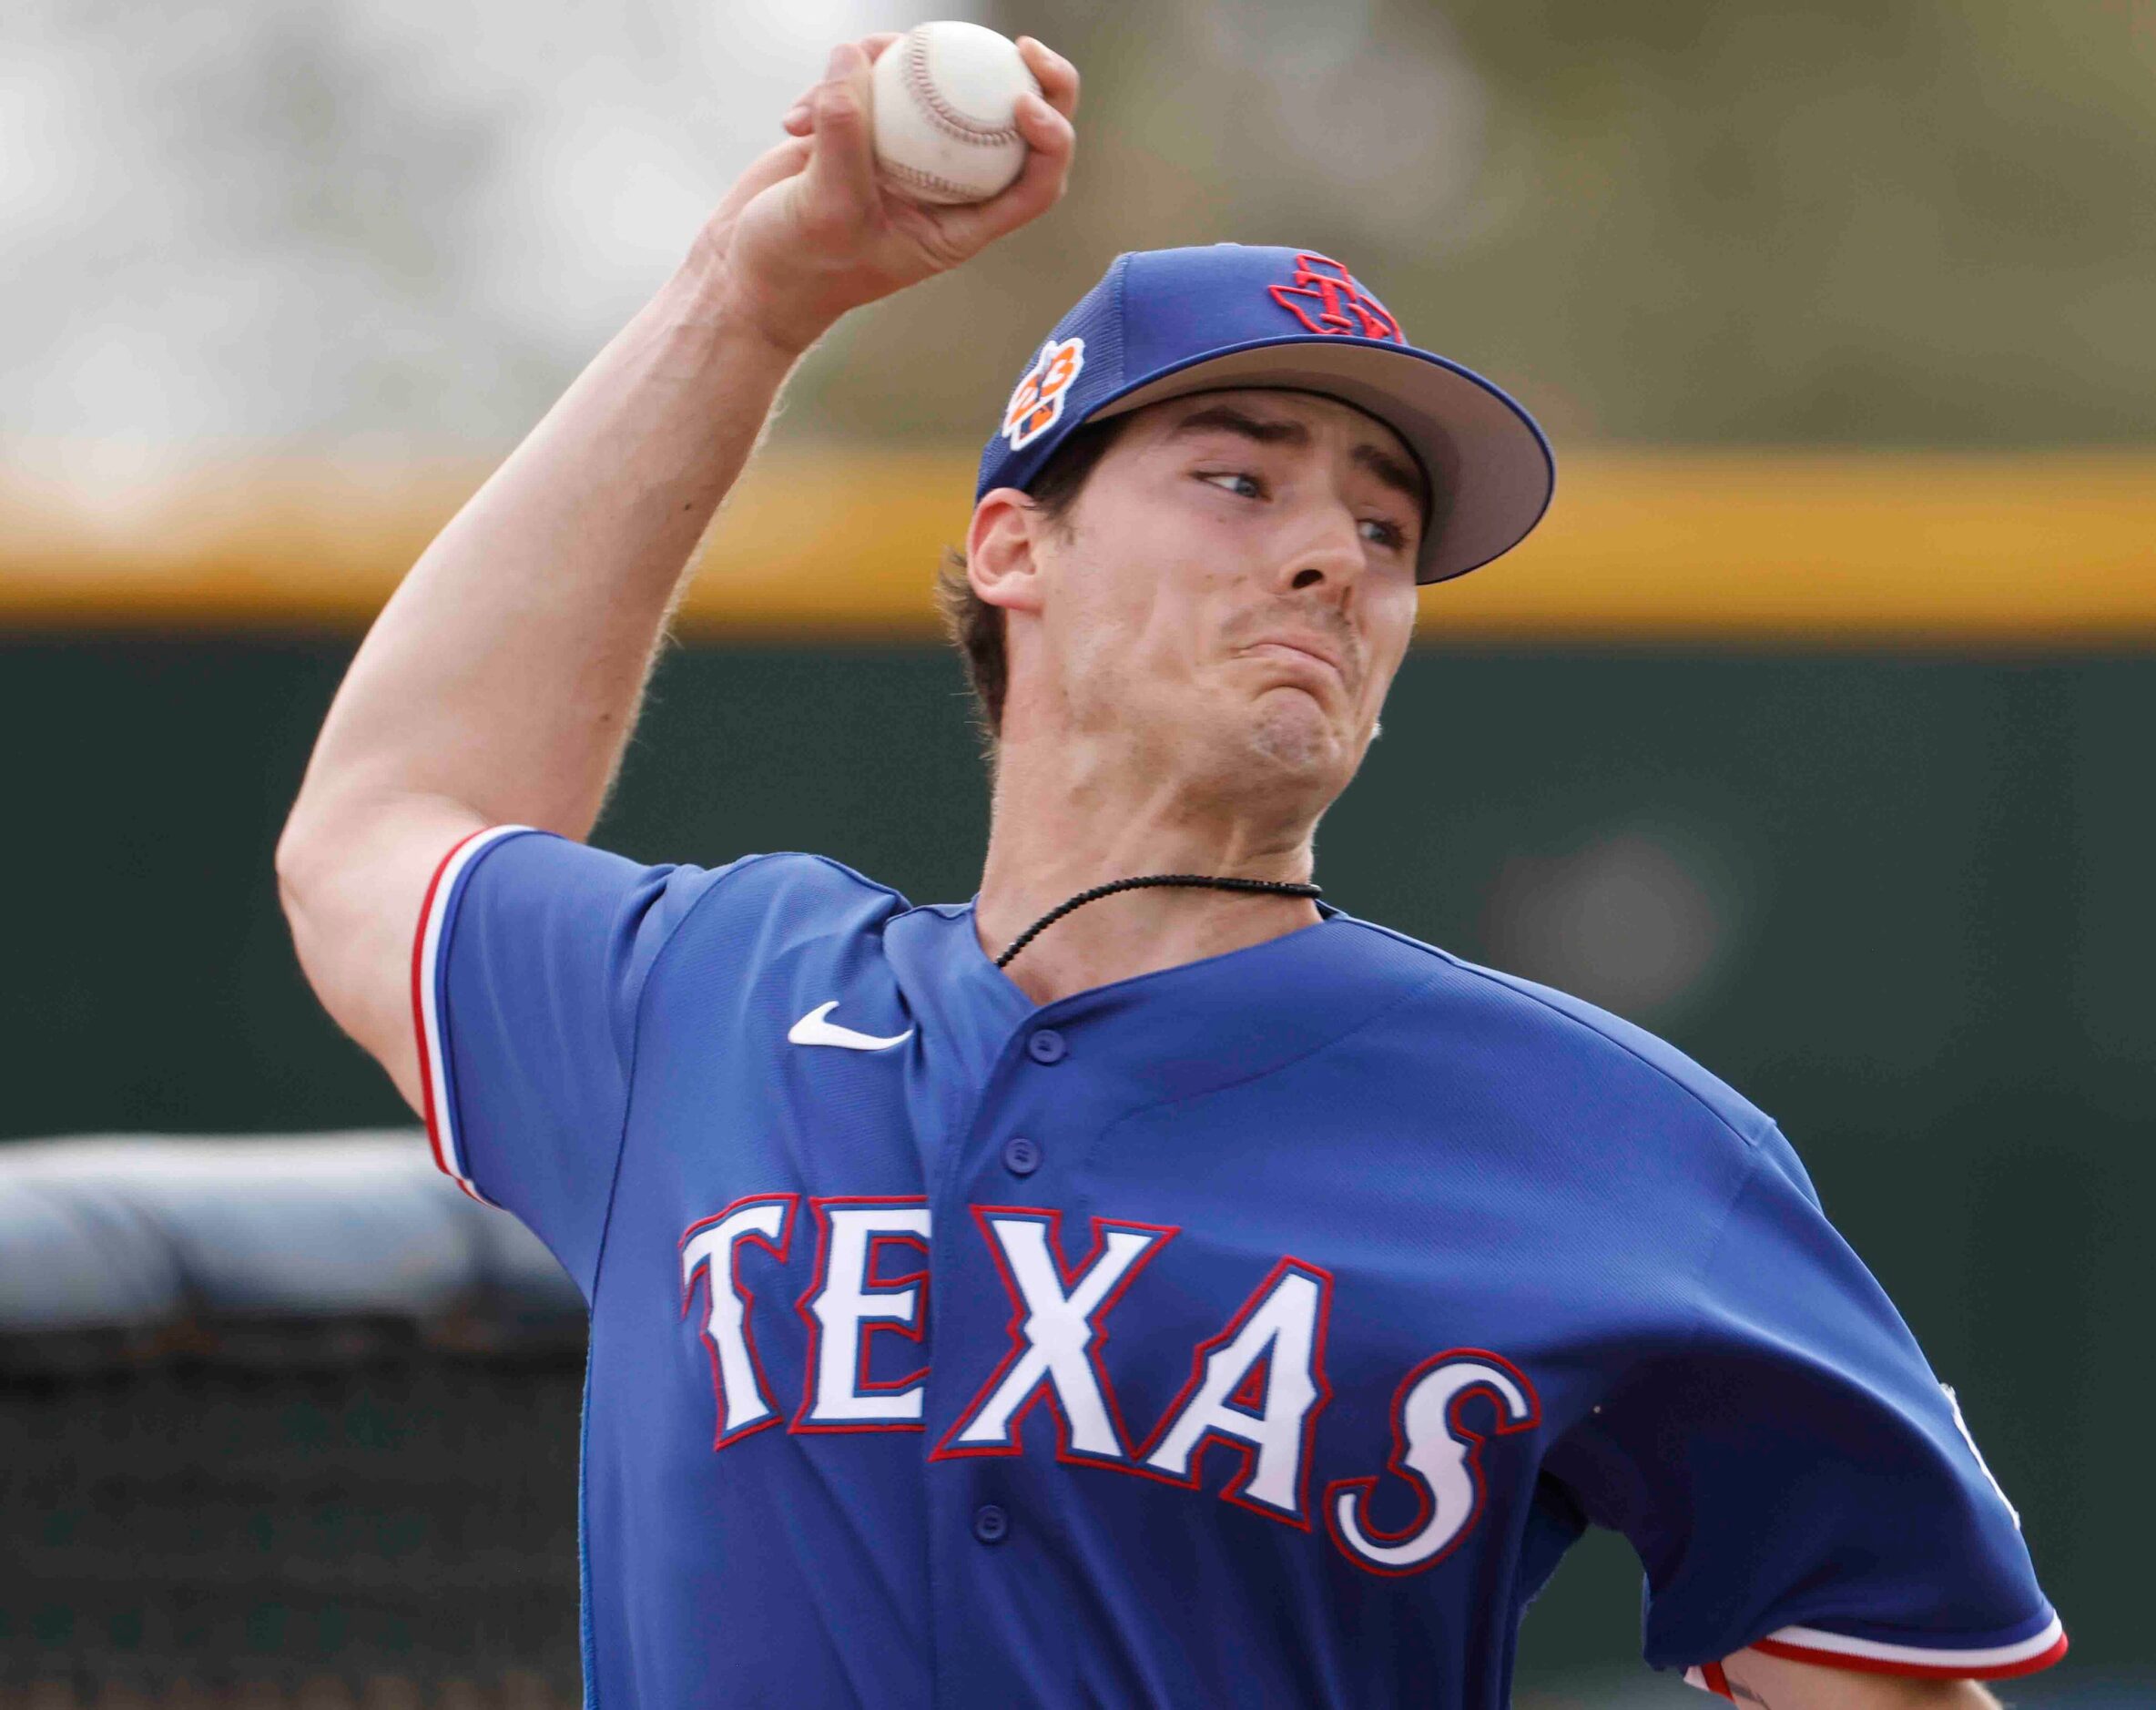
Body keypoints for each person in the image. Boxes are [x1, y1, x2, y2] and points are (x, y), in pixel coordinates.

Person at [277, 33, 2064, 1710]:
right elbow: (379, 827)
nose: (1332, 561)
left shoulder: (1608, 1139)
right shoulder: (717, 1003)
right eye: (1237, 479)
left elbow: (1885, 1677)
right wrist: (750, 302)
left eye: (1383, 527)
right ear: (1010, 548)